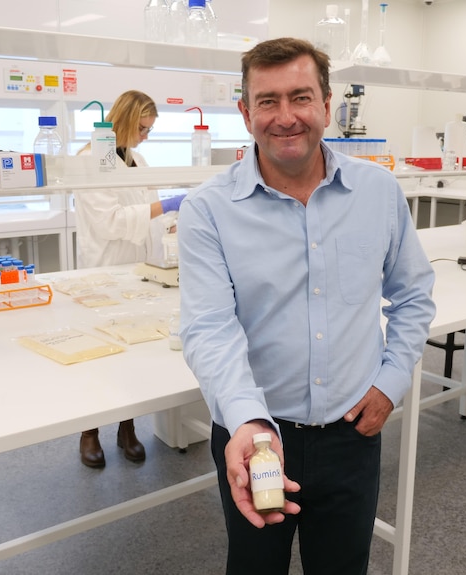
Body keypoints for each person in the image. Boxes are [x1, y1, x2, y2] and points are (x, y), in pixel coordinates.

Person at [177, 38, 436, 574]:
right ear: (246, 113)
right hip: (256, 437)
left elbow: (412, 295)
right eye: (268, 101)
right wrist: (247, 422)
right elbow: (208, 328)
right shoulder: (209, 210)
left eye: (301, 97)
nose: (286, 117)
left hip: (351, 433)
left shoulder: (378, 191)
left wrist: (390, 383)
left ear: (326, 102)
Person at [74, 89, 185, 468]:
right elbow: (111, 222)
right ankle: (89, 433)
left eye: (150, 129)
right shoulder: (95, 158)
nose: (145, 136)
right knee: (97, 355)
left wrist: (174, 219)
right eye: (141, 128)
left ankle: (126, 428)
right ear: (122, 120)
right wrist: (167, 204)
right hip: (103, 270)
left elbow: (146, 215)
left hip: (136, 270)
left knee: (130, 352)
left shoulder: (135, 159)